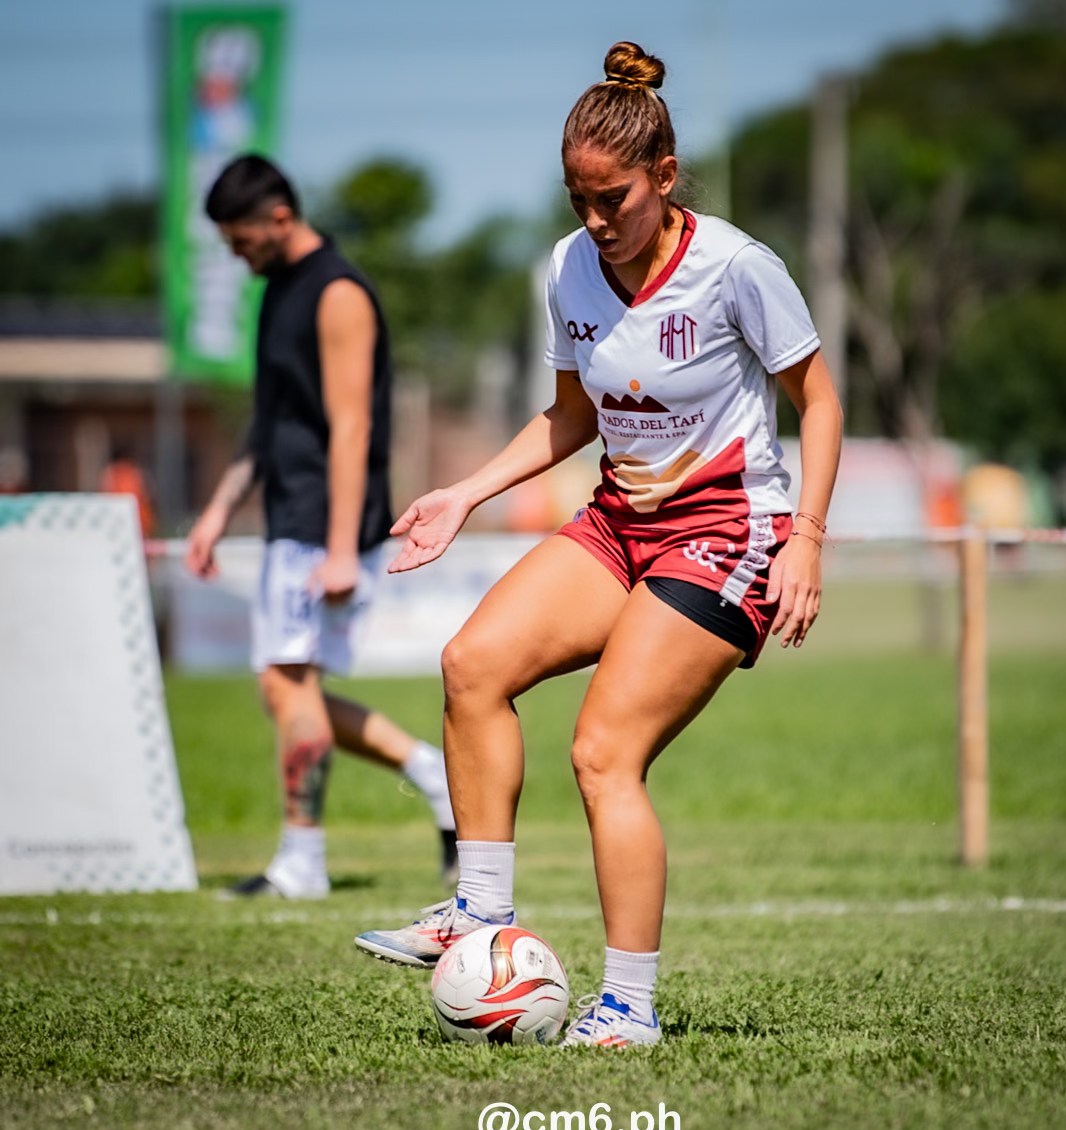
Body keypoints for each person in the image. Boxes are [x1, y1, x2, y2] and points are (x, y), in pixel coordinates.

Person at [354, 41, 843, 1048]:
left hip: (729, 529)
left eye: (612, 196)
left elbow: (821, 402)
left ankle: (627, 1006)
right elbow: (569, 416)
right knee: (471, 664)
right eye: (577, 196)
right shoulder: (567, 268)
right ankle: (479, 912)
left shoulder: (738, 268)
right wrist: (462, 493)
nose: (594, 218)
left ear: (662, 177)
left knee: (602, 750)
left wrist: (806, 537)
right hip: (621, 521)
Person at [185, 153, 456, 899]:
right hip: (291, 513)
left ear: (278, 217)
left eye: (240, 240)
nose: (237, 257)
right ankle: (431, 773)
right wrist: (217, 509)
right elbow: (269, 421)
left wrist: (341, 549)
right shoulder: (277, 291)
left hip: (327, 521)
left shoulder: (338, 293)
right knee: (283, 687)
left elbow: (350, 424)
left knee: (287, 680)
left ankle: (301, 861)